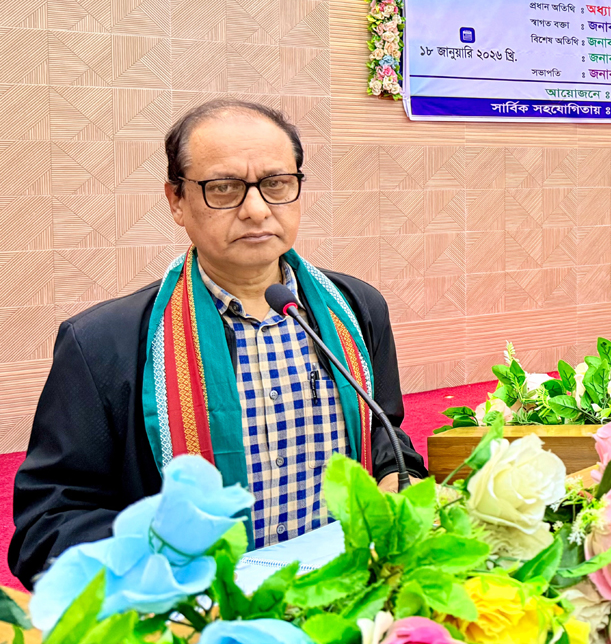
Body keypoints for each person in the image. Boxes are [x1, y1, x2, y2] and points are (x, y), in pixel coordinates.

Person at [9, 100, 427, 588]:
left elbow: (384, 433)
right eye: (224, 188)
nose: (256, 210)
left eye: (276, 183)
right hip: (200, 609)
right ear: (177, 200)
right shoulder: (101, 344)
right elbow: (48, 524)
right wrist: (165, 559)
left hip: (349, 591)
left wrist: (398, 478)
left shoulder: (356, 309)